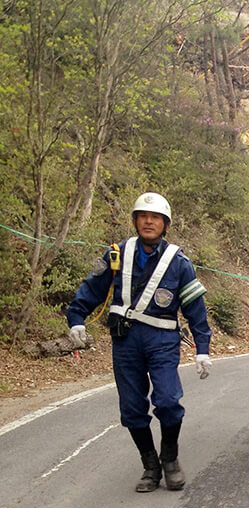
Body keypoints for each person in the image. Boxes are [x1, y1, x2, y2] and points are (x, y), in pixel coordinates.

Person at [66, 192, 212, 492]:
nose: (148, 221)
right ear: (135, 221)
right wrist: (77, 317)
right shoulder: (116, 254)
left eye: (155, 217)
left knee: (169, 401)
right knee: (132, 408)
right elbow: (92, 287)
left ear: (165, 225)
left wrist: (203, 349)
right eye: (143, 216)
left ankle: (169, 459)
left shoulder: (179, 262)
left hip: (162, 341)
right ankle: (150, 467)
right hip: (125, 342)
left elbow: (195, 308)